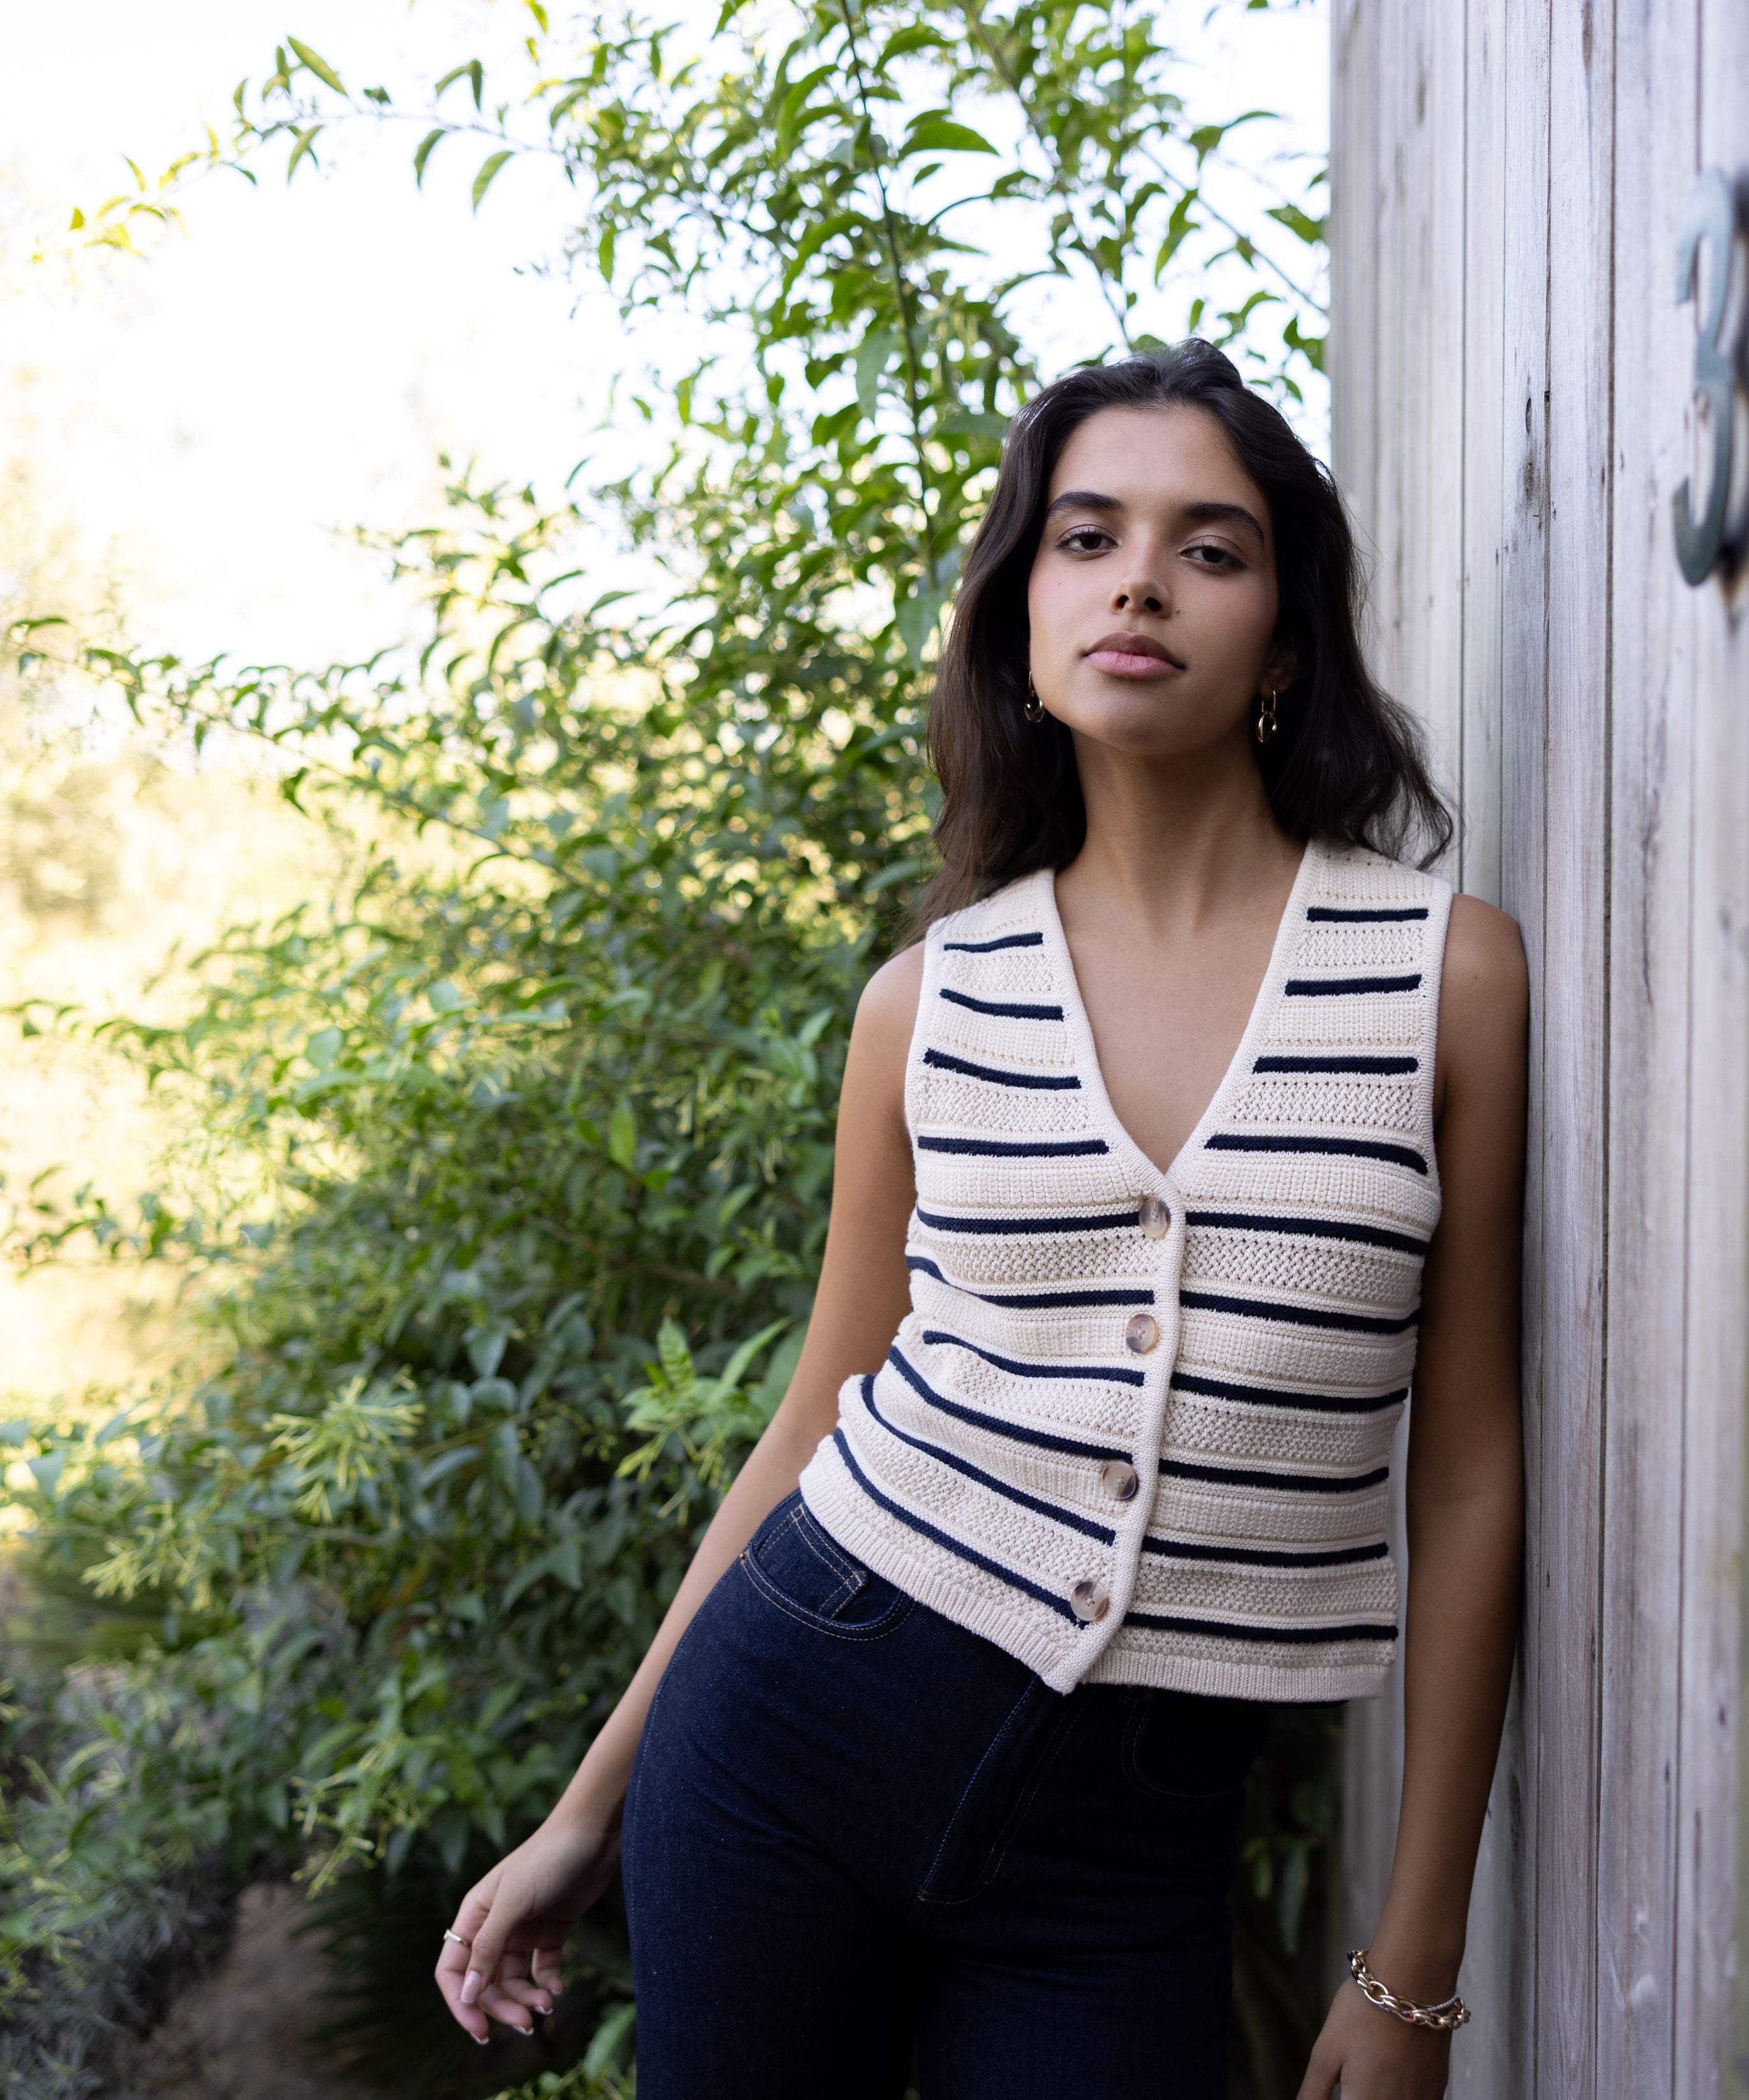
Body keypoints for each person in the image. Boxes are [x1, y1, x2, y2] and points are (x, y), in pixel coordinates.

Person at [429, 340, 1528, 2100]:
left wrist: (1413, 1969)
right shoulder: (927, 1003)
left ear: (1286, 641)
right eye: (1085, 539)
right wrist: (587, 1809)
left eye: (1210, 548)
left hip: (1134, 1852)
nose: (1139, 582)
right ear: (1022, 617)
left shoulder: (1440, 978)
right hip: (791, 1731)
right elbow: (817, 1417)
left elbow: (1465, 1475)